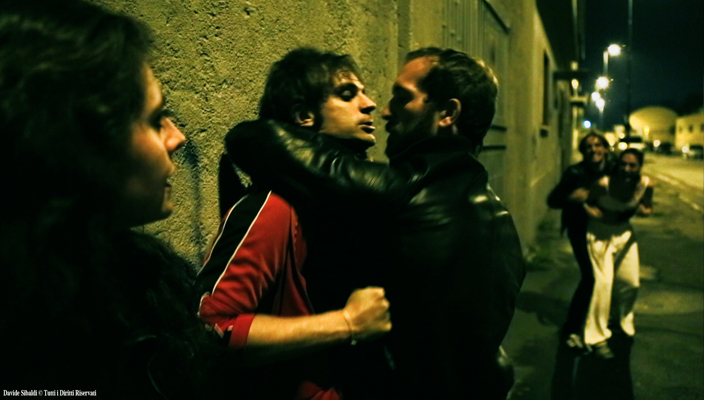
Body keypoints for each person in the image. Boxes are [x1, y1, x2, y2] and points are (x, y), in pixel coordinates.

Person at [223, 47, 525, 399]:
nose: (380, 109)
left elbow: (257, 141)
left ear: (447, 113)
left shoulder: (403, 193)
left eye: (402, 98)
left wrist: (347, 324)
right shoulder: (502, 224)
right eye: (348, 94)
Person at [0, 1, 223, 397]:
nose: (177, 137)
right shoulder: (33, 341)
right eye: (155, 119)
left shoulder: (146, 283)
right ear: (81, 143)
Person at [195, 48, 391, 400]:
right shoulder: (276, 207)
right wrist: (347, 323)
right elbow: (210, 328)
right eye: (348, 94)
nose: (370, 104)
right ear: (304, 116)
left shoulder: (343, 201)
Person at [581, 148, 653, 359]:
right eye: (623, 164)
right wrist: (596, 214)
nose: (627, 169)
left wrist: (644, 211)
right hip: (599, 234)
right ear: (617, 165)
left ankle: (621, 320)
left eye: (632, 165)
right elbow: (587, 203)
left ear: (640, 167)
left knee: (631, 283)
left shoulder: (645, 185)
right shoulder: (603, 184)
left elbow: (648, 208)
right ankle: (596, 337)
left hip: (624, 234)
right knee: (603, 284)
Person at [547, 132, 613, 350]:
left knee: (608, 277)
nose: (594, 149)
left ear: (606, 149)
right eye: (588, 146)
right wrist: (570, 197)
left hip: (605, 231)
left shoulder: (612, 170)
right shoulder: (575, 172)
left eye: (598, 145)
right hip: (580, 231)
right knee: (590, 277)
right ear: (583, 151)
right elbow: (553, 200)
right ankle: (572, 330)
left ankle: (602, 321)